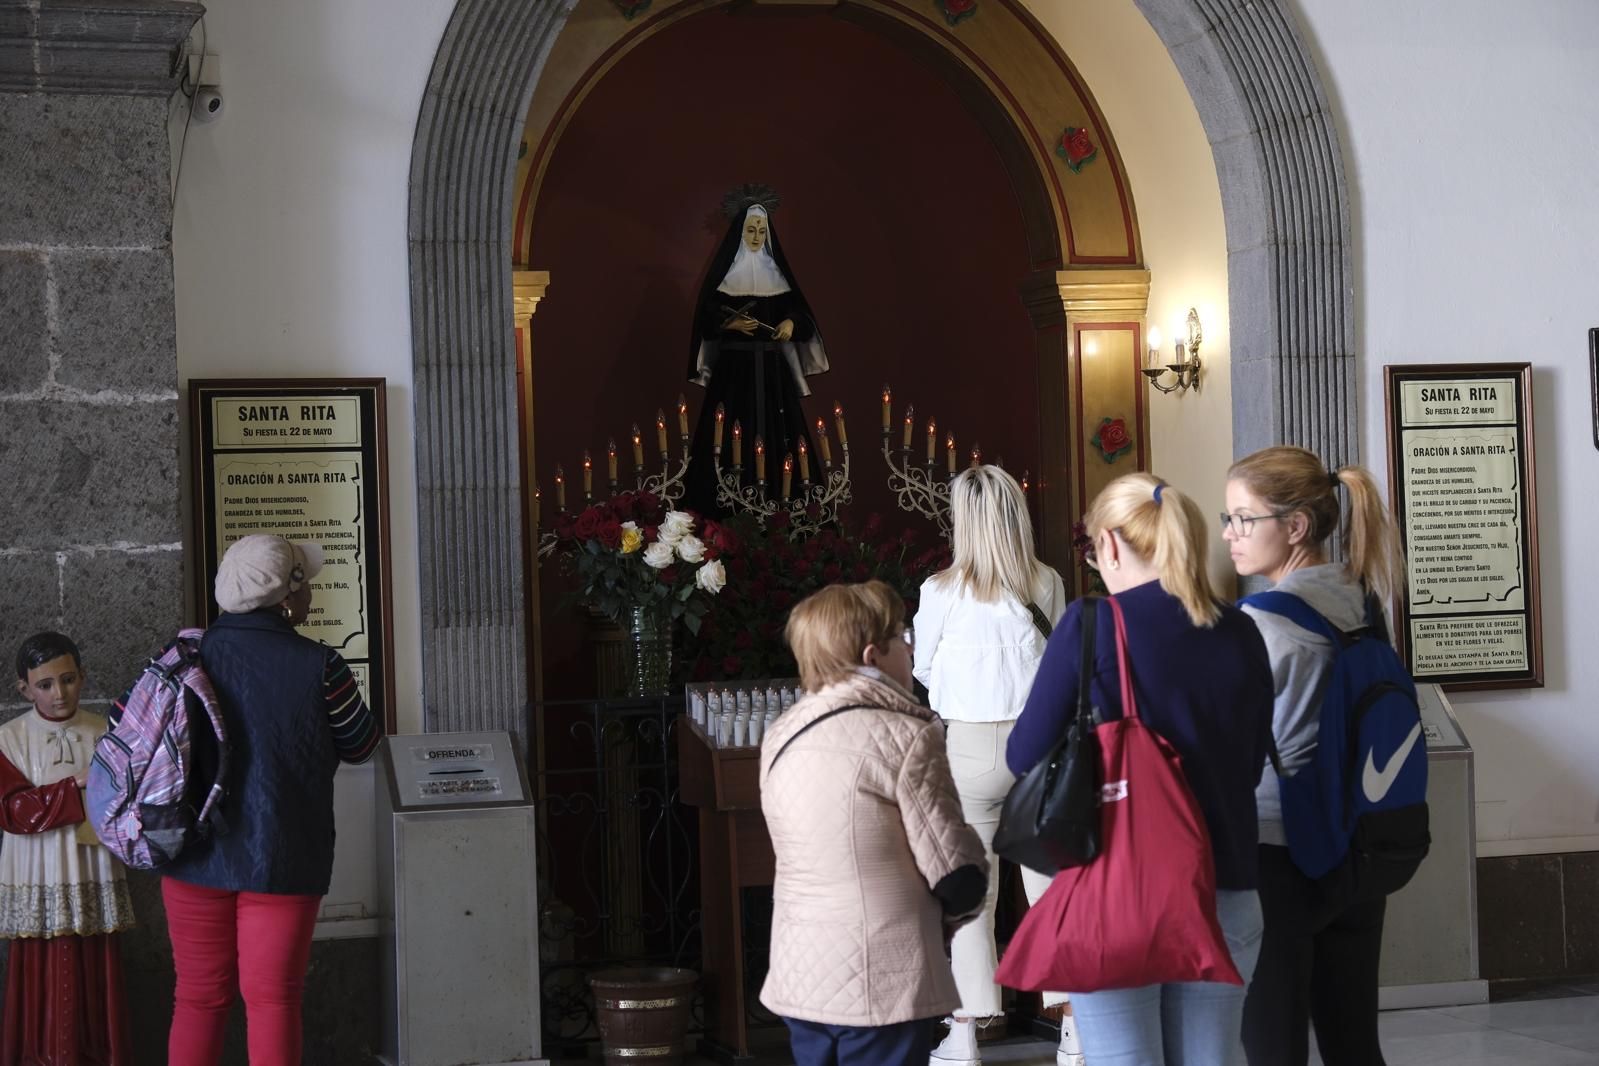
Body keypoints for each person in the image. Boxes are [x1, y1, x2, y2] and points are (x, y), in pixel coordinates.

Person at [1007, 472, 1275, 1066]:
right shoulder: (1241, 629)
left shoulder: (1092, 626)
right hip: (1227, 883)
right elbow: (1254, 760)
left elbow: (1023, 755)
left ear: (1108, 543)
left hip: (1119, 891)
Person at [152, 534, 382, 1065]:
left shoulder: (182, 658)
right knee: (274, 1000)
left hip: (190, 851)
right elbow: (362, 744)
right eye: (308, 583)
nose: (312, 594)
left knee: (197, 999)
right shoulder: (321, 665)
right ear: (288, 595)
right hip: (283, 854)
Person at [1223, 446, 1405, 1066]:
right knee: (1354, 1041)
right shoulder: (1364, 601)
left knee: (1272, 1043)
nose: (1229, 534)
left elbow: (1231, 741)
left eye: (1243, 519)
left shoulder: (1260, 621)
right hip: (1358, 840)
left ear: (1296, 526)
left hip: (1279, 848)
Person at [760, 580, 988, 1066]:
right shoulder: (906, 735)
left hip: (801, 974)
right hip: (885, 977)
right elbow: (956, 875)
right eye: (902, 637)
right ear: (872, 655)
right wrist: (950, 919)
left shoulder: (781, 735)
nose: (911, 649)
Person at [910, 465, 1078, 1066]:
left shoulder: (939, 591)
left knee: (969, 898)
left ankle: (964, 1037)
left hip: (970, 749)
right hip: (1039, 747)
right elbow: (1061, 661)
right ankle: (1075, 1033)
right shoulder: (1046, 581)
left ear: (963, 521)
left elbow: (923, 669)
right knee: (1051, 892)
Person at [0, 632, 134, 1066]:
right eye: (45, 685)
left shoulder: (106, 734)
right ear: (24, 689)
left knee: (95, 969)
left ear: (82, 676)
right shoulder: (9, 739)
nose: (59, 694)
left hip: (91, 866)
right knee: (38, 976)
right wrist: (75, 786)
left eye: (68, 679)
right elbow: (14, 810)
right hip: (36, 871)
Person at [684, 185, 829, 511]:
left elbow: (801, 316)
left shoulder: (777, 275)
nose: (756, 236)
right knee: (728, 439)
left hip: (773, 376)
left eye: (761, 231)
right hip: (733, 374)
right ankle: (727, 514)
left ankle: (782, 514)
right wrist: (730, 324)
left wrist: (790, 323)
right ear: (740, 232)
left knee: (781, 440)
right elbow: (706, 319)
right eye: (751, 230)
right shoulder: (725, 277)